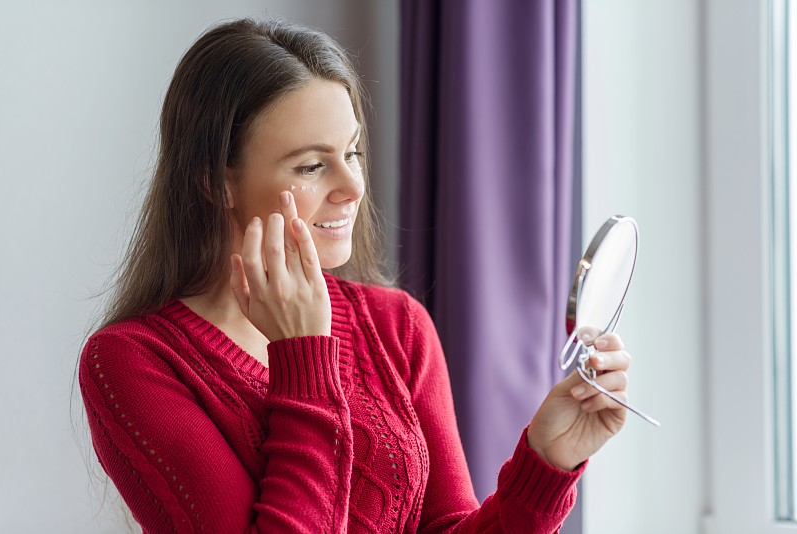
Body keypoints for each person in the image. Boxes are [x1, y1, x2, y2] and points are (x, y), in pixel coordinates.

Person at [79, 18, 630, 533]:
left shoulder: (397, 326)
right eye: (312, 165)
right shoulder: (133, 363)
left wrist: (546, 462)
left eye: (353, 152)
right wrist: (306, 356)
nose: (352, 187)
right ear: (214, 182)